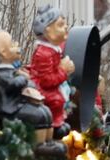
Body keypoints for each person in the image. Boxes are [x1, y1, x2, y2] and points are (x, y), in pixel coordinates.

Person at [28, 5, 75, 135]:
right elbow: (46, 81)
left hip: (53, 89)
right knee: (55, 99)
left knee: (62, 97)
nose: (65, 27)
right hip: (42, 91)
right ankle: (52, 126)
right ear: (47, 31)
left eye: (65, 24)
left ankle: (58, 123)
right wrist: (64, 70)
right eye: (60, 25)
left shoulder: (53, 49)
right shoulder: (43, 53)